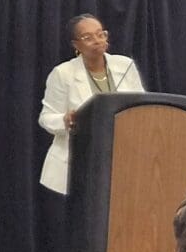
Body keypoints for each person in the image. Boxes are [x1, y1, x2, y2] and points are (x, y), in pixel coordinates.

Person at [37, 14, 147, 195]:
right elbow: (46, 118)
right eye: (88, 38)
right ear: (76, 45)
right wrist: (65, 120)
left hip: (122, 158)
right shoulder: (63, 73)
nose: (97, 40)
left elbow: (141, 106)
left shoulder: (125, 65)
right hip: (76, 164)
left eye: (100, 34)